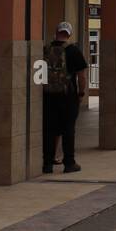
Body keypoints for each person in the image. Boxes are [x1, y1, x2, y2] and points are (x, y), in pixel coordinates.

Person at [42, 21, 88, 174]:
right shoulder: (73, 51)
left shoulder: (45, 50)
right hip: (68, 97)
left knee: (49, 130)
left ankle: (47, 164)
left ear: (56, 33)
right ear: (69, 34)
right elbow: (81, 76)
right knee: (68, 129)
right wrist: (81, 93)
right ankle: (69, 163)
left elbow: (38, 76)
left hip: (48, 96)